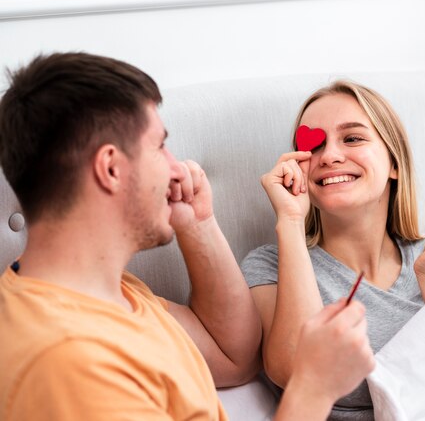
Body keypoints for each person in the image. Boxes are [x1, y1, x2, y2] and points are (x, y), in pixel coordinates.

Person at [0, 52, 375, 420]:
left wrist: (198, 224)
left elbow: (235, 357)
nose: (177, 168)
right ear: (111, 169)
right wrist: (313, 389)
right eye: (159, 146)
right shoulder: (69, 361)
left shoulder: (110, 292)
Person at [242, 80, 425, 420]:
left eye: (353, 138)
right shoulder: (272, 265)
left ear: (394, 163)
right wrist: (291, 221)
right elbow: (297, 371)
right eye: (313, 145)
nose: (329, 156)